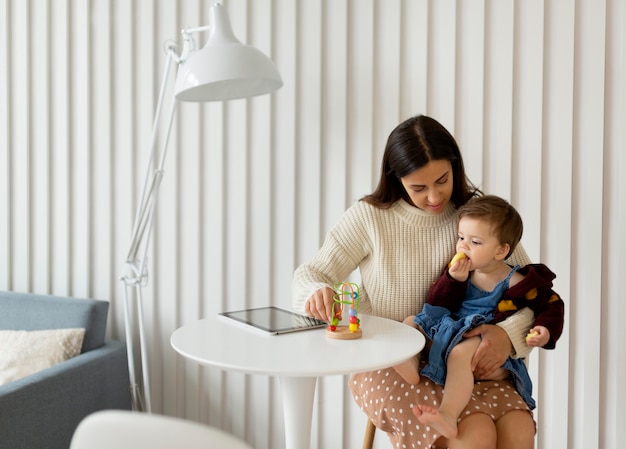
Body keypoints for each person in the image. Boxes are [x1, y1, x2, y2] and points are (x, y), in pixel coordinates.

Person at [292, 115, 537, 449]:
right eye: (419, 188)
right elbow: (311, 274)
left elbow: (535, 296)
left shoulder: (478, 216)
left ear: (455, 167)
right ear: (397, 179)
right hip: (391, 364)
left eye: (443, 180)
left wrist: (506, 339)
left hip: (467, 362)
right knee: (474, 438)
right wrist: (316, 293)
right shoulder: (370, 218)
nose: (434, 197)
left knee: (519, 431)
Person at [393, 195, 564, 439]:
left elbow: (551, 304)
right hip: (451, 329)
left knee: (460, 354)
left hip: (479, 336)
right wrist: (453, 280)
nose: (463, 246)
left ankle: (448, 415)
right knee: (411, 322)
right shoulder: (463, 271)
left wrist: (544, 329)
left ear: (500, 250)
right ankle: (409, 365)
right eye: (461, 238)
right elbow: (437, 304)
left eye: (474, 241)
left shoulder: (517, 281)